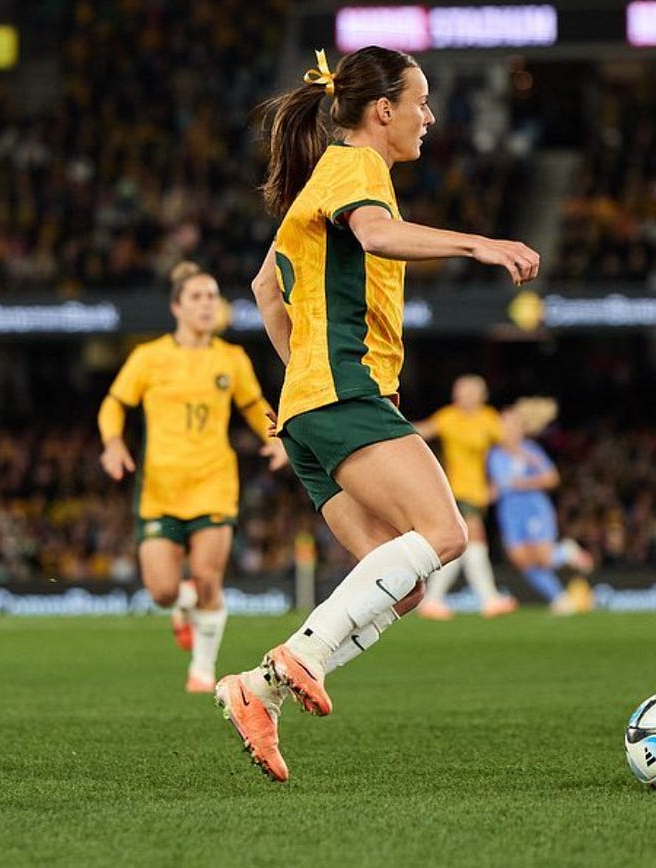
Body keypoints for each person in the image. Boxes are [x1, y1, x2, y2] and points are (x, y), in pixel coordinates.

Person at [214, 46, 541, 782]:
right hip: (342, 394)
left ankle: (258, 691)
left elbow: (266, 289)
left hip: (309, 406)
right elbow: (376, 235)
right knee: (447, 533)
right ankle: (300, 656)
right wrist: (479, 244)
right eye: (420, 103)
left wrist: (297, 372)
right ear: (382, 110)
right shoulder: (357, 168)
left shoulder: (322, 180)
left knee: (406, 581)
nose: (428, 117)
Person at [98, 262, 287, 691]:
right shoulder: (149, 357)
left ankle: (202, 671)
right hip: (160, 489)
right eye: (197, 297)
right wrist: (112, 443)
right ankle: (181, 608)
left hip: (213, 483)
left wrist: (275, 436)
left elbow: (253, 403)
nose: (207, 304)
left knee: (207, 578)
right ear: (177, 307)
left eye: (212, 296)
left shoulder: (231, 358)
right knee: (163, 592)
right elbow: (114, 403)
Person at [412, 375, 518, 620]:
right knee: (474, 539)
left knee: (463, 544)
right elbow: (423, 431)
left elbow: (508, 442)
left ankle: (435, 600)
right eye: (460, 391)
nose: (462, 395)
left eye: (468, 391)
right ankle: (488, 598)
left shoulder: (488, 418)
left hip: (478, 493)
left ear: (481, 395)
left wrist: (518, 421)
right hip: (456, 491)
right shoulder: (449, 417)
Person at [486, 398, 590, 614]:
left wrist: (521, 483)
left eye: (509, 424)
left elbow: (552, 478)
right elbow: (496, 486)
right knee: (521, 561)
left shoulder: (529, 451)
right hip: (509, 513)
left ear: (520, 429)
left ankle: (566, 553)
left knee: (542, 558)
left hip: (533, 507)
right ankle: (561, 598)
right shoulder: (494, 455)